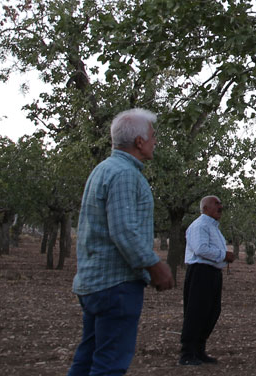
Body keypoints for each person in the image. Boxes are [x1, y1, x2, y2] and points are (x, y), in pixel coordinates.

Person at [68, 108, 174, 376]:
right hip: (116, 285)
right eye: (152, 136)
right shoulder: (126, 175)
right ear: (139, 141)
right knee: (109, 365)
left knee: (88, 357)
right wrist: (154, 265)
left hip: (94, 283)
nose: (155, 141)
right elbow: (124, 231)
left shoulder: (103, 169)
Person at [179, 194, 236, 366]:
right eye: (216, 204)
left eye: (221, 203)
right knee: (196, 312)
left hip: (212, 273)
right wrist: (223, 255)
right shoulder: (200, 225)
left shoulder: (213, 228)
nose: (221, 207)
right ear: (205, 208)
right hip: (200, 272)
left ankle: (199, 350)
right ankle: (187, 353)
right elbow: (201, 249)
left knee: (212, 312)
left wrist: (224, 258)